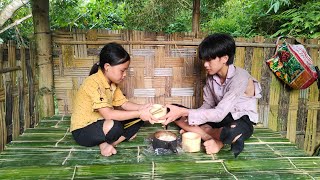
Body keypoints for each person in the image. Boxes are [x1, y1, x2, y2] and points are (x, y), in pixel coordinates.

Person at [162, 33, 262, 157]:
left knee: (231, 131)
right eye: (204, 60)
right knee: (171, 108)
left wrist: (185, 113)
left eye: (209, 60)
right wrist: (186, 114)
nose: (205, 64)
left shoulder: (240, 78)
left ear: (224, 59)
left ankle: (206, 132)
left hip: (240, 120)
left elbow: (220, 113)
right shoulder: (212, 78)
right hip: (218, 118)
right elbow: (208, 105)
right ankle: (212, 137)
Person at [70, 43, 156, 157]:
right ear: (107, 67)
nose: (125, 74)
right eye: (122, 70)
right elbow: (108, 115)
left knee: (138, 120)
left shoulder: (112, 84)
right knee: (116, 127)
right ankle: (111, 141)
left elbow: (124, 103)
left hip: (103, 124)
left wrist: (143, 108)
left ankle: (108, 144)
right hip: (83, 131)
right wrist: (140, 113)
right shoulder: (93, 82)